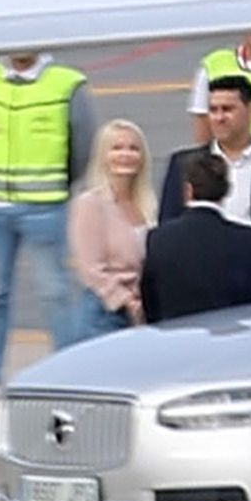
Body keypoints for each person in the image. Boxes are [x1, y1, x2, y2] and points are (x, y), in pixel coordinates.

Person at [0, 50, 96, 409]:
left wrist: (58, 183)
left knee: (54, 292)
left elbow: (82, 145)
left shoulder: (67, 84)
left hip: (45, 204)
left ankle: (69, 376)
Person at [159, 74, 251, 264]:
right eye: (213, 110)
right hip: (200, 276)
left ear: (250, 110)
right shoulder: (182, 165)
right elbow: (168, 229)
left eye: (228, 109)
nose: (219, 117)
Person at [140, 151, 251, 322]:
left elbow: (149, 300)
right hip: (235, 337)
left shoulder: (158, 239)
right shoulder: (249, 240)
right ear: (226, 190)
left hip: (177, 338)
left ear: (188, 190)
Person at [67, 118, 155, 339]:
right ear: (102, 156)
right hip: (104, 314)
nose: (125, 155)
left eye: (133, 148)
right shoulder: (90, 204)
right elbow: (91, 269)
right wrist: (126, 301)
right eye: (116, 148)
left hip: (142, 312)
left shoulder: (148, 205)